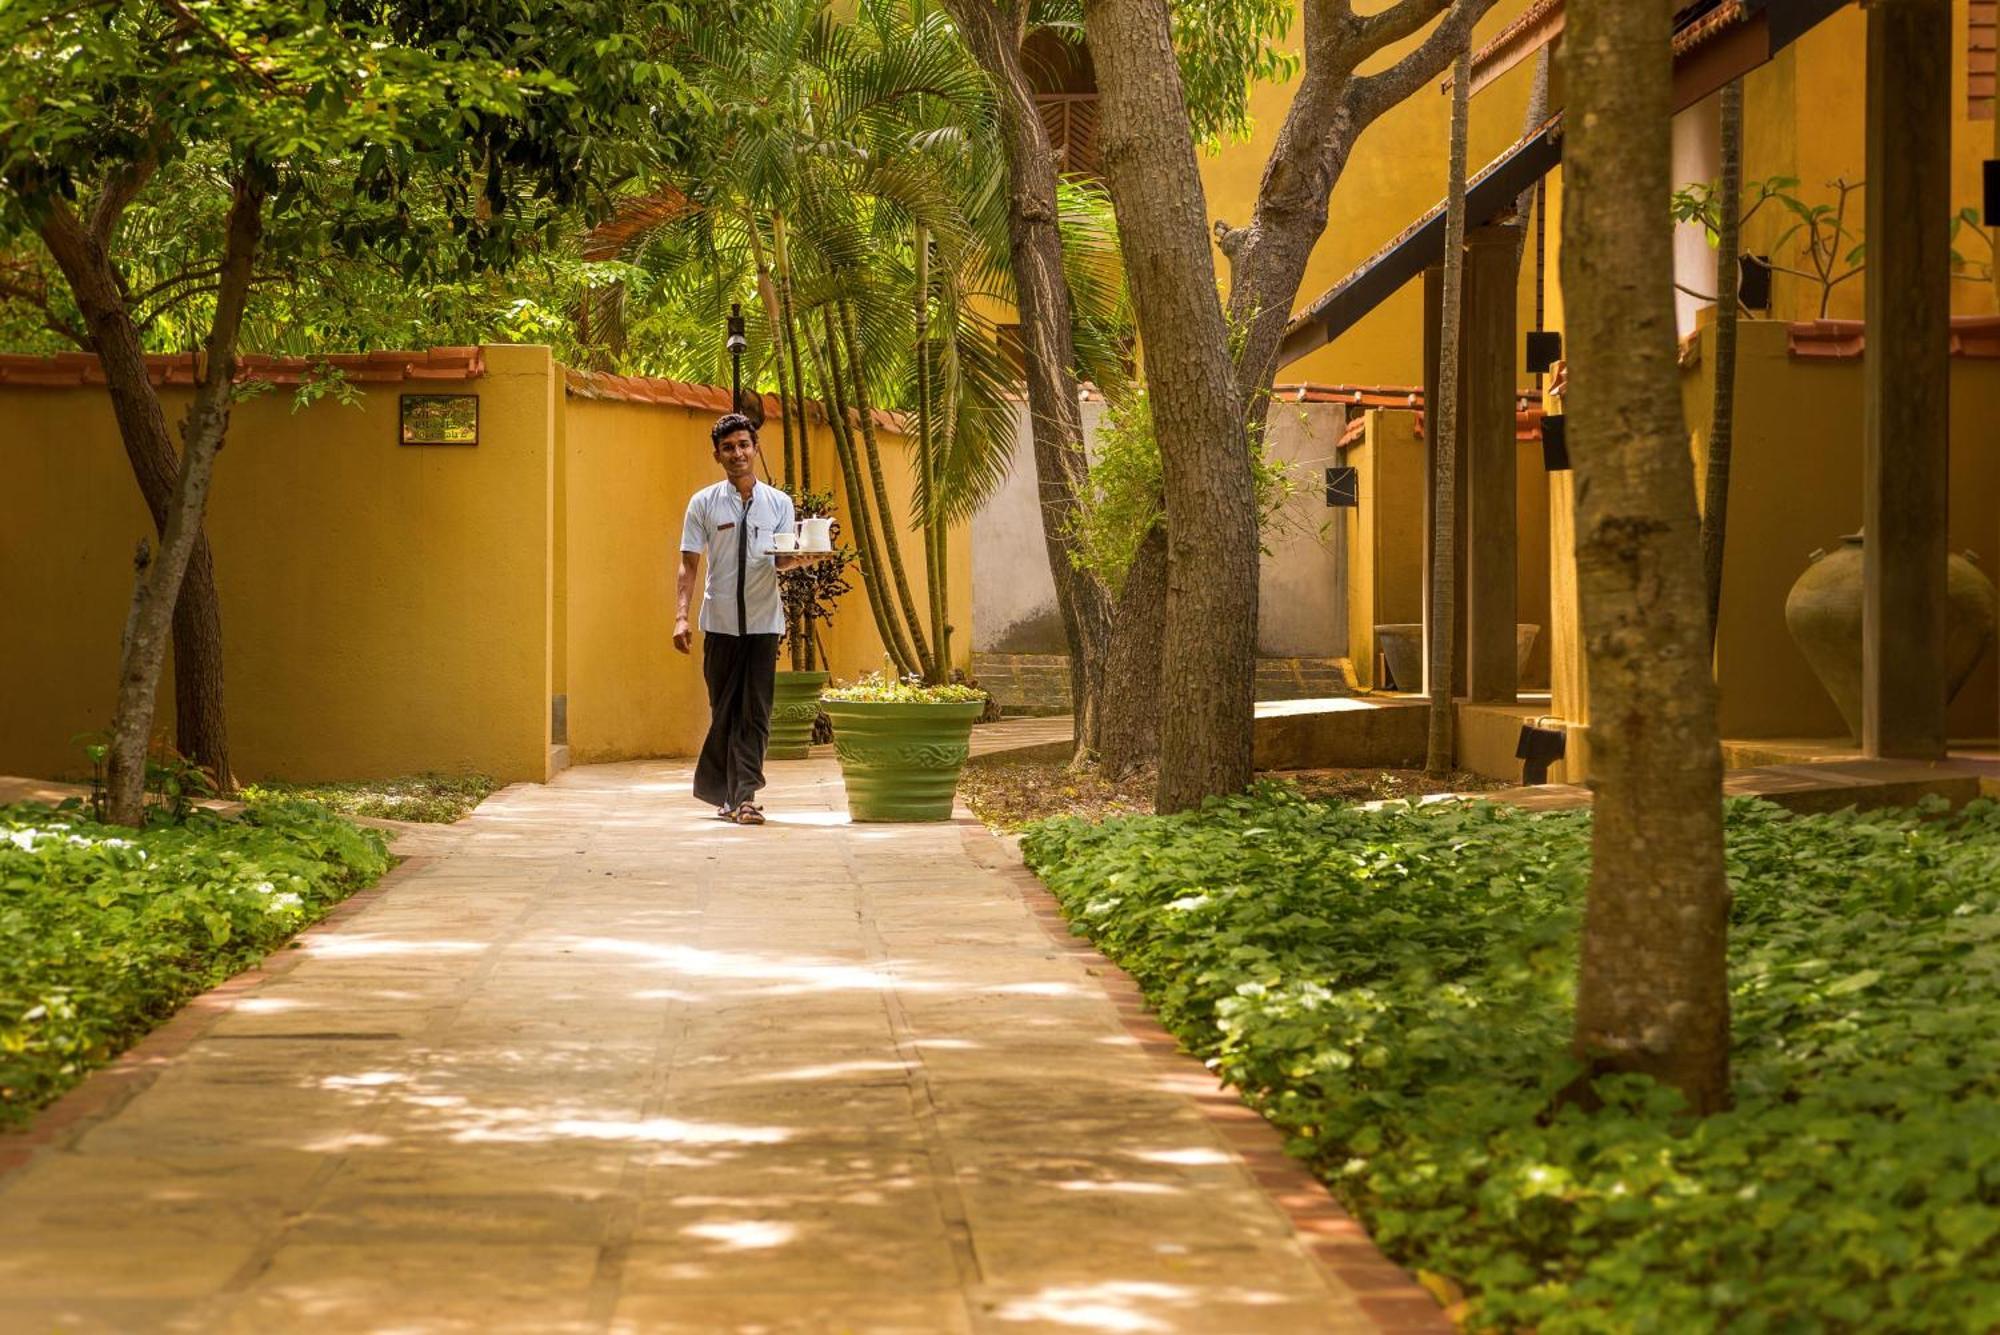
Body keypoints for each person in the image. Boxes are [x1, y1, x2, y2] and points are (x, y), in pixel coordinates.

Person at [675, 412, 828, 824]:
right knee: (723, 710)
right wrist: (681, 617)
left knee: (755, 713)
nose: (738, 453)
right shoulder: (703, 503)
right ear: (717, 455)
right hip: (720, 625)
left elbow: (779, 561)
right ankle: (726, 795)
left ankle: (744, 797)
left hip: (763, 624)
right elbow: (689, 563)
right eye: (729, 447)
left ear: (755, 449)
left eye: (744, 445)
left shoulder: (778, 503)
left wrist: (802, 559)